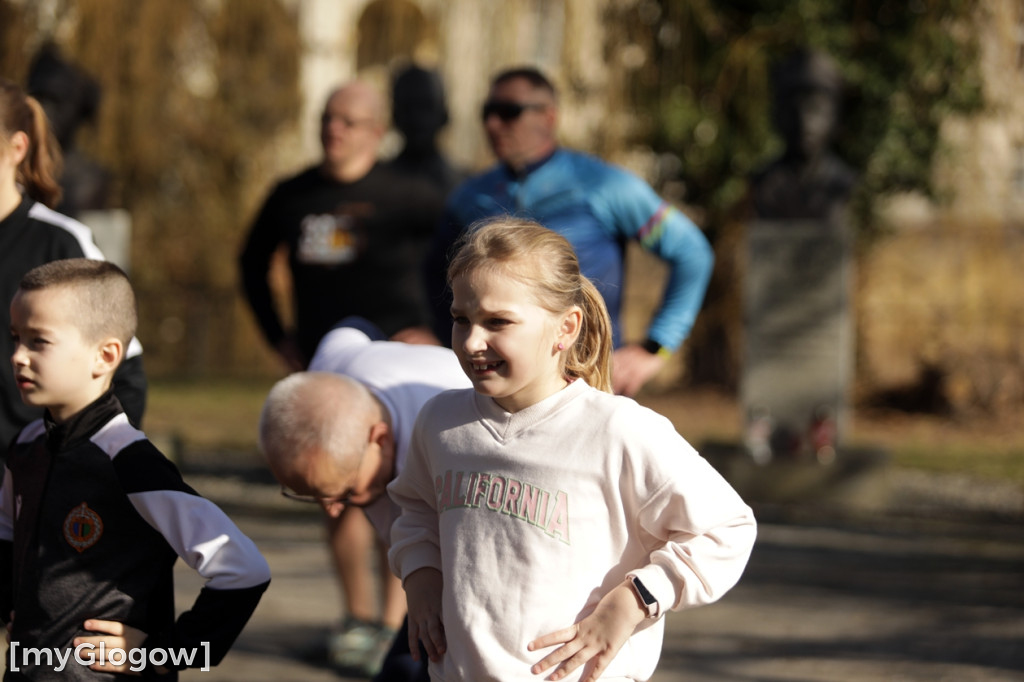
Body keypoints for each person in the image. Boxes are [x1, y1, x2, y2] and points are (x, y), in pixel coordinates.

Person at [389, 218, 756, 681]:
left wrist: (635, 599)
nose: (472, 341)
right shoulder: (439, 421)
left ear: (566, 328)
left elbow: (728, 528)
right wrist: (421, 577)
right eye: (462, 319)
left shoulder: (619, 429)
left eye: (498, 321)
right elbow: (416, 510)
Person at [1, 259, 271, 680]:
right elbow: (7, 530)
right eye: (15, 338)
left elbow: (244, 569)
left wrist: (164, 654)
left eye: (39, 341)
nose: (18, 356)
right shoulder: (25, 446)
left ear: (105, 355)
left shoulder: (131, 462)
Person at [427, 66, 715, 397]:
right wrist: (437, 338)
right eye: (487, 112)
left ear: (548, 117)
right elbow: (435, 273)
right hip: (495, 381)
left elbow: (692, 252)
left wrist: (655, 347)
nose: (494, 124)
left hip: (585, 379)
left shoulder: (604, 184)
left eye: (509, 112)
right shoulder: (470, 195)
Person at [259, 322, 471, 680]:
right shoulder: (332, 365)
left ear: (380, 438)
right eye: (312, 497)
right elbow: (348, 328)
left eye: (344, 491)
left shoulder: (453, 441)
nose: (334, 509)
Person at [239, 79, 443, 373]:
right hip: (319, 361)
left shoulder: (410, 194)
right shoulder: (290, 195)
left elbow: (462, 260)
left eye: (348, 122)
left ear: (376, 132)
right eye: (327, 118)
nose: (333, 129)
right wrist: (277, 338)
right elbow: (251, 265)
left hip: (395, 360)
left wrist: (439, 329)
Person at [0, 77, 146, 451]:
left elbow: (124, 371)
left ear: (17, 147)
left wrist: (84, 470)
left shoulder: (60, 240)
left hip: (27, 484)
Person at [387, 64, 463, 197]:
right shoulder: (374, 186)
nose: (417, 118)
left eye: (426, 107)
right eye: (408, 108)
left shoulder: (464, 187)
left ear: (444, 115)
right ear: (395, 116)